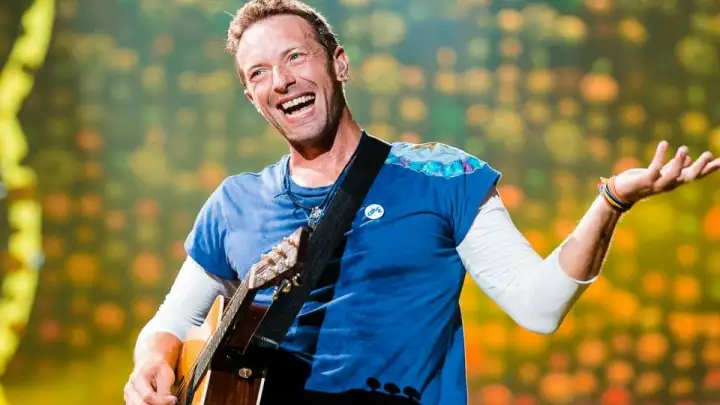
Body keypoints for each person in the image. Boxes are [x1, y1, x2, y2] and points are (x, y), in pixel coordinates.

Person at [123, 1, 720, 404]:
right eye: (259, 73)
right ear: (252, 96)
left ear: (339, 63)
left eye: (295, 57)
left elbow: (539, 307)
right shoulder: (235, 202)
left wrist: (612, 200)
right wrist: (151, 362)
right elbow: (173, 322)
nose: (280, 80)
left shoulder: (441, 176)